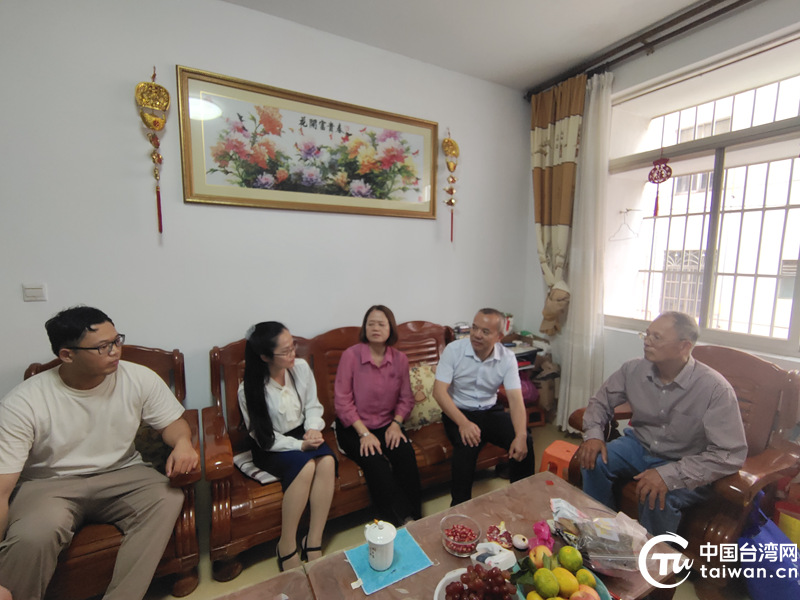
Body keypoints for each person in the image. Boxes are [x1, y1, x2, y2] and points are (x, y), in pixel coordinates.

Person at [0, 306, 198, 600]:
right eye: (103, 347)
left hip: (122, 473)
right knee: (34, 535)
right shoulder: (24, 402)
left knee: (166, 496)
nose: (115, 351)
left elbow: (173, 423)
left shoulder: (138, 377)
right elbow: (2, 489)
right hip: (49, 484)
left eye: (117, 340)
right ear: (67, 355)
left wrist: (182, 443)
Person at [575, 311, 748, 536]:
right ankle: (601, 533)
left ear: (684, 346)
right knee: (594, 460)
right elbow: (601, 401)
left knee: (656, 494)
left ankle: (654, 555)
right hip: (640, 445)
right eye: (646, 334)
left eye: (656, 337)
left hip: (686, 459)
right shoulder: (633, 370)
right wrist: (594, 435)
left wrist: (671, 474)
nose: (647, 341)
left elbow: (730, 454)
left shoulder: (715, 389)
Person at [239, 322, 335, 571]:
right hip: (271, 444)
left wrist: (313, 428)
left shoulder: (300, 368)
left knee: (326, 462)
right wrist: (300, 445)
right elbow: (263, 437)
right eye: (286, 351)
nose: (293, 354)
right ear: (265, 357)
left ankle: (313, 540)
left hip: (303, 433)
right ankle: (286, 544)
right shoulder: (249, 389)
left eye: (293, 346)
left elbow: (312, 406)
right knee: (305, 466)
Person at [433, 308, 535, 505]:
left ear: (499, 337)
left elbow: (515, 400)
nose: (477, 335)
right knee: (466, 447)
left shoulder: (507, 358)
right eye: (474, 328)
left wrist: (521, 435)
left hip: (490, 410)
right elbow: (439, 392)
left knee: (525, 440)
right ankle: (459, 508)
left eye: (485, 331)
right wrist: (463, 423)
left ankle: (522, 501)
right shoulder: (454, 350)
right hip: (458, 412)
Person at [334, 305, 422, 525]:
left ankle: (415, 518)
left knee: (405, 455)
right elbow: (342, 401)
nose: (375, 328)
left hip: (387, 423)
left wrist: (396, 424)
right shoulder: (351, 356)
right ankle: (396, 522)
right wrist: (364, 434)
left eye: (381, 324)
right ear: (364, 328)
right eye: (370, 324)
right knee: (376, 463)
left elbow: (406, 399)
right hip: (354, 427)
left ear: (390, 328)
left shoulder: (400, 359)